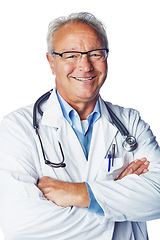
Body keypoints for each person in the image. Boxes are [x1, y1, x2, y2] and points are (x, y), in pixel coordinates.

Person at [0, 12, 160, 240]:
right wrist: (117, 203)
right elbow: (21, 223)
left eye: (95, 54)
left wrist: (77, 193)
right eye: (71, 55)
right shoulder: (18, 128)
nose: (85, 66)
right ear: (51, 62)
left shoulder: (130, 122)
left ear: (106, 58)